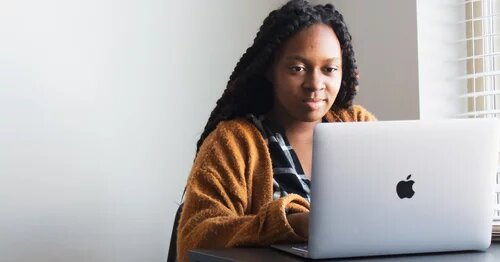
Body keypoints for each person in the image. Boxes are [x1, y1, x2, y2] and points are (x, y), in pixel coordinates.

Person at [176, 0, 376, 261]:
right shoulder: (234, 142)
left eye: (329, 69)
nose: (315, 84)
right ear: (271, 70)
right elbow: (194, 239)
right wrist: (291, 224)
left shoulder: (358, 126)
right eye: (298, 68)